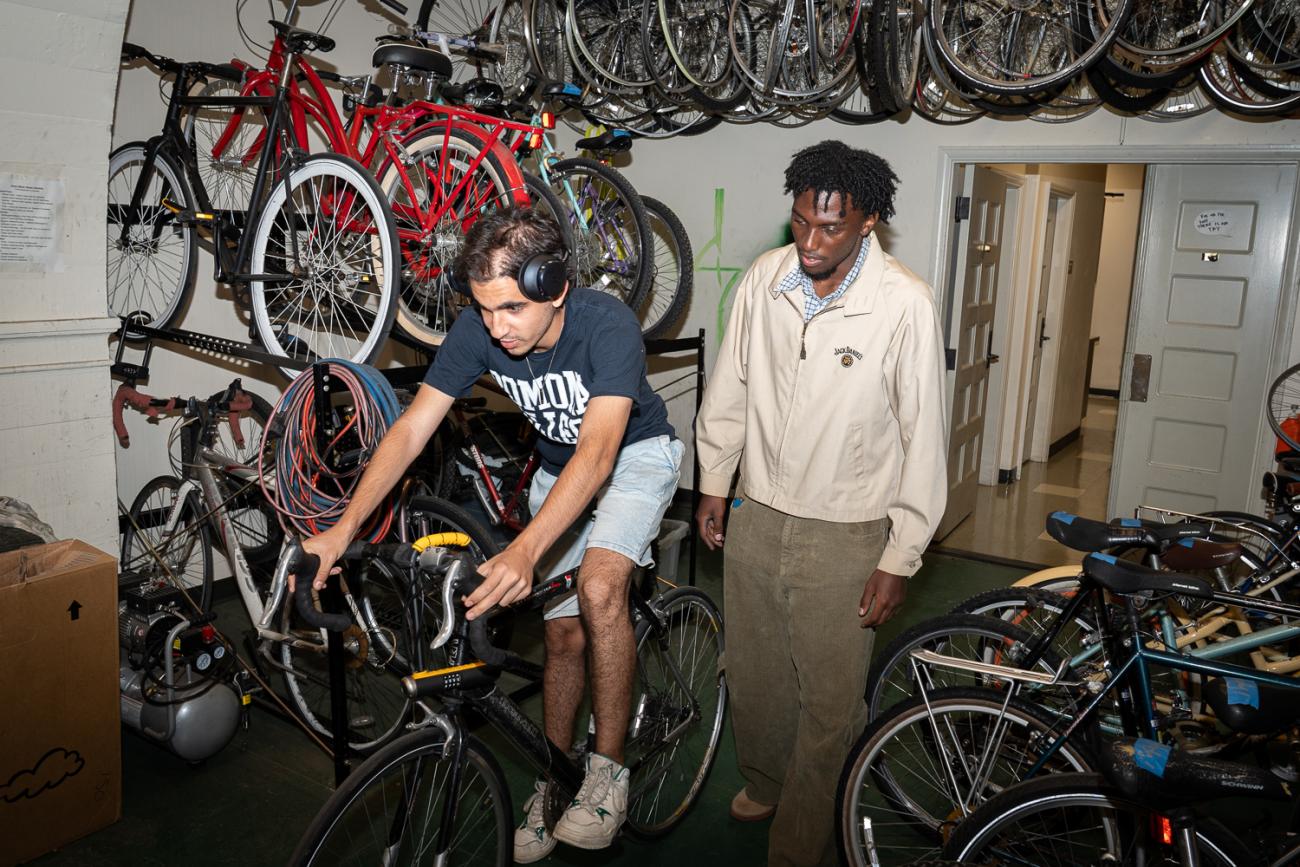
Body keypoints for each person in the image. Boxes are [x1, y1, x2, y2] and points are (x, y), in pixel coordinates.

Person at [296, 206, 683, 863]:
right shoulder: (479, 329)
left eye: (510, 309)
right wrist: (341, 528)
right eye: (484, 310)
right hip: (560, 469)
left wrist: (528, 547)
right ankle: (554, 783)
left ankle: (607, 772)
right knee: (560, 632)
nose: (496, 329)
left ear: (554, 285)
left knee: (597, 588)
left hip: (633, 456)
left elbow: (598, 452)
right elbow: (412, 429)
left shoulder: (606, 324)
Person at [693, 140, 948, 867]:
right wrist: (715, 479)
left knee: (830, 703)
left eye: (829, 228)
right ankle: (769, 780)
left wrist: (900, 554)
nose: (810, 240)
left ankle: (801, 838)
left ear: (868, 220)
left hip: (846, 530)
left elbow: (922, 435)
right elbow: (732, 386)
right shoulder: (766, 280)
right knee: (756, 673)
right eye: (801, 221)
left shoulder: (904, 304)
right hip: (758, 511)